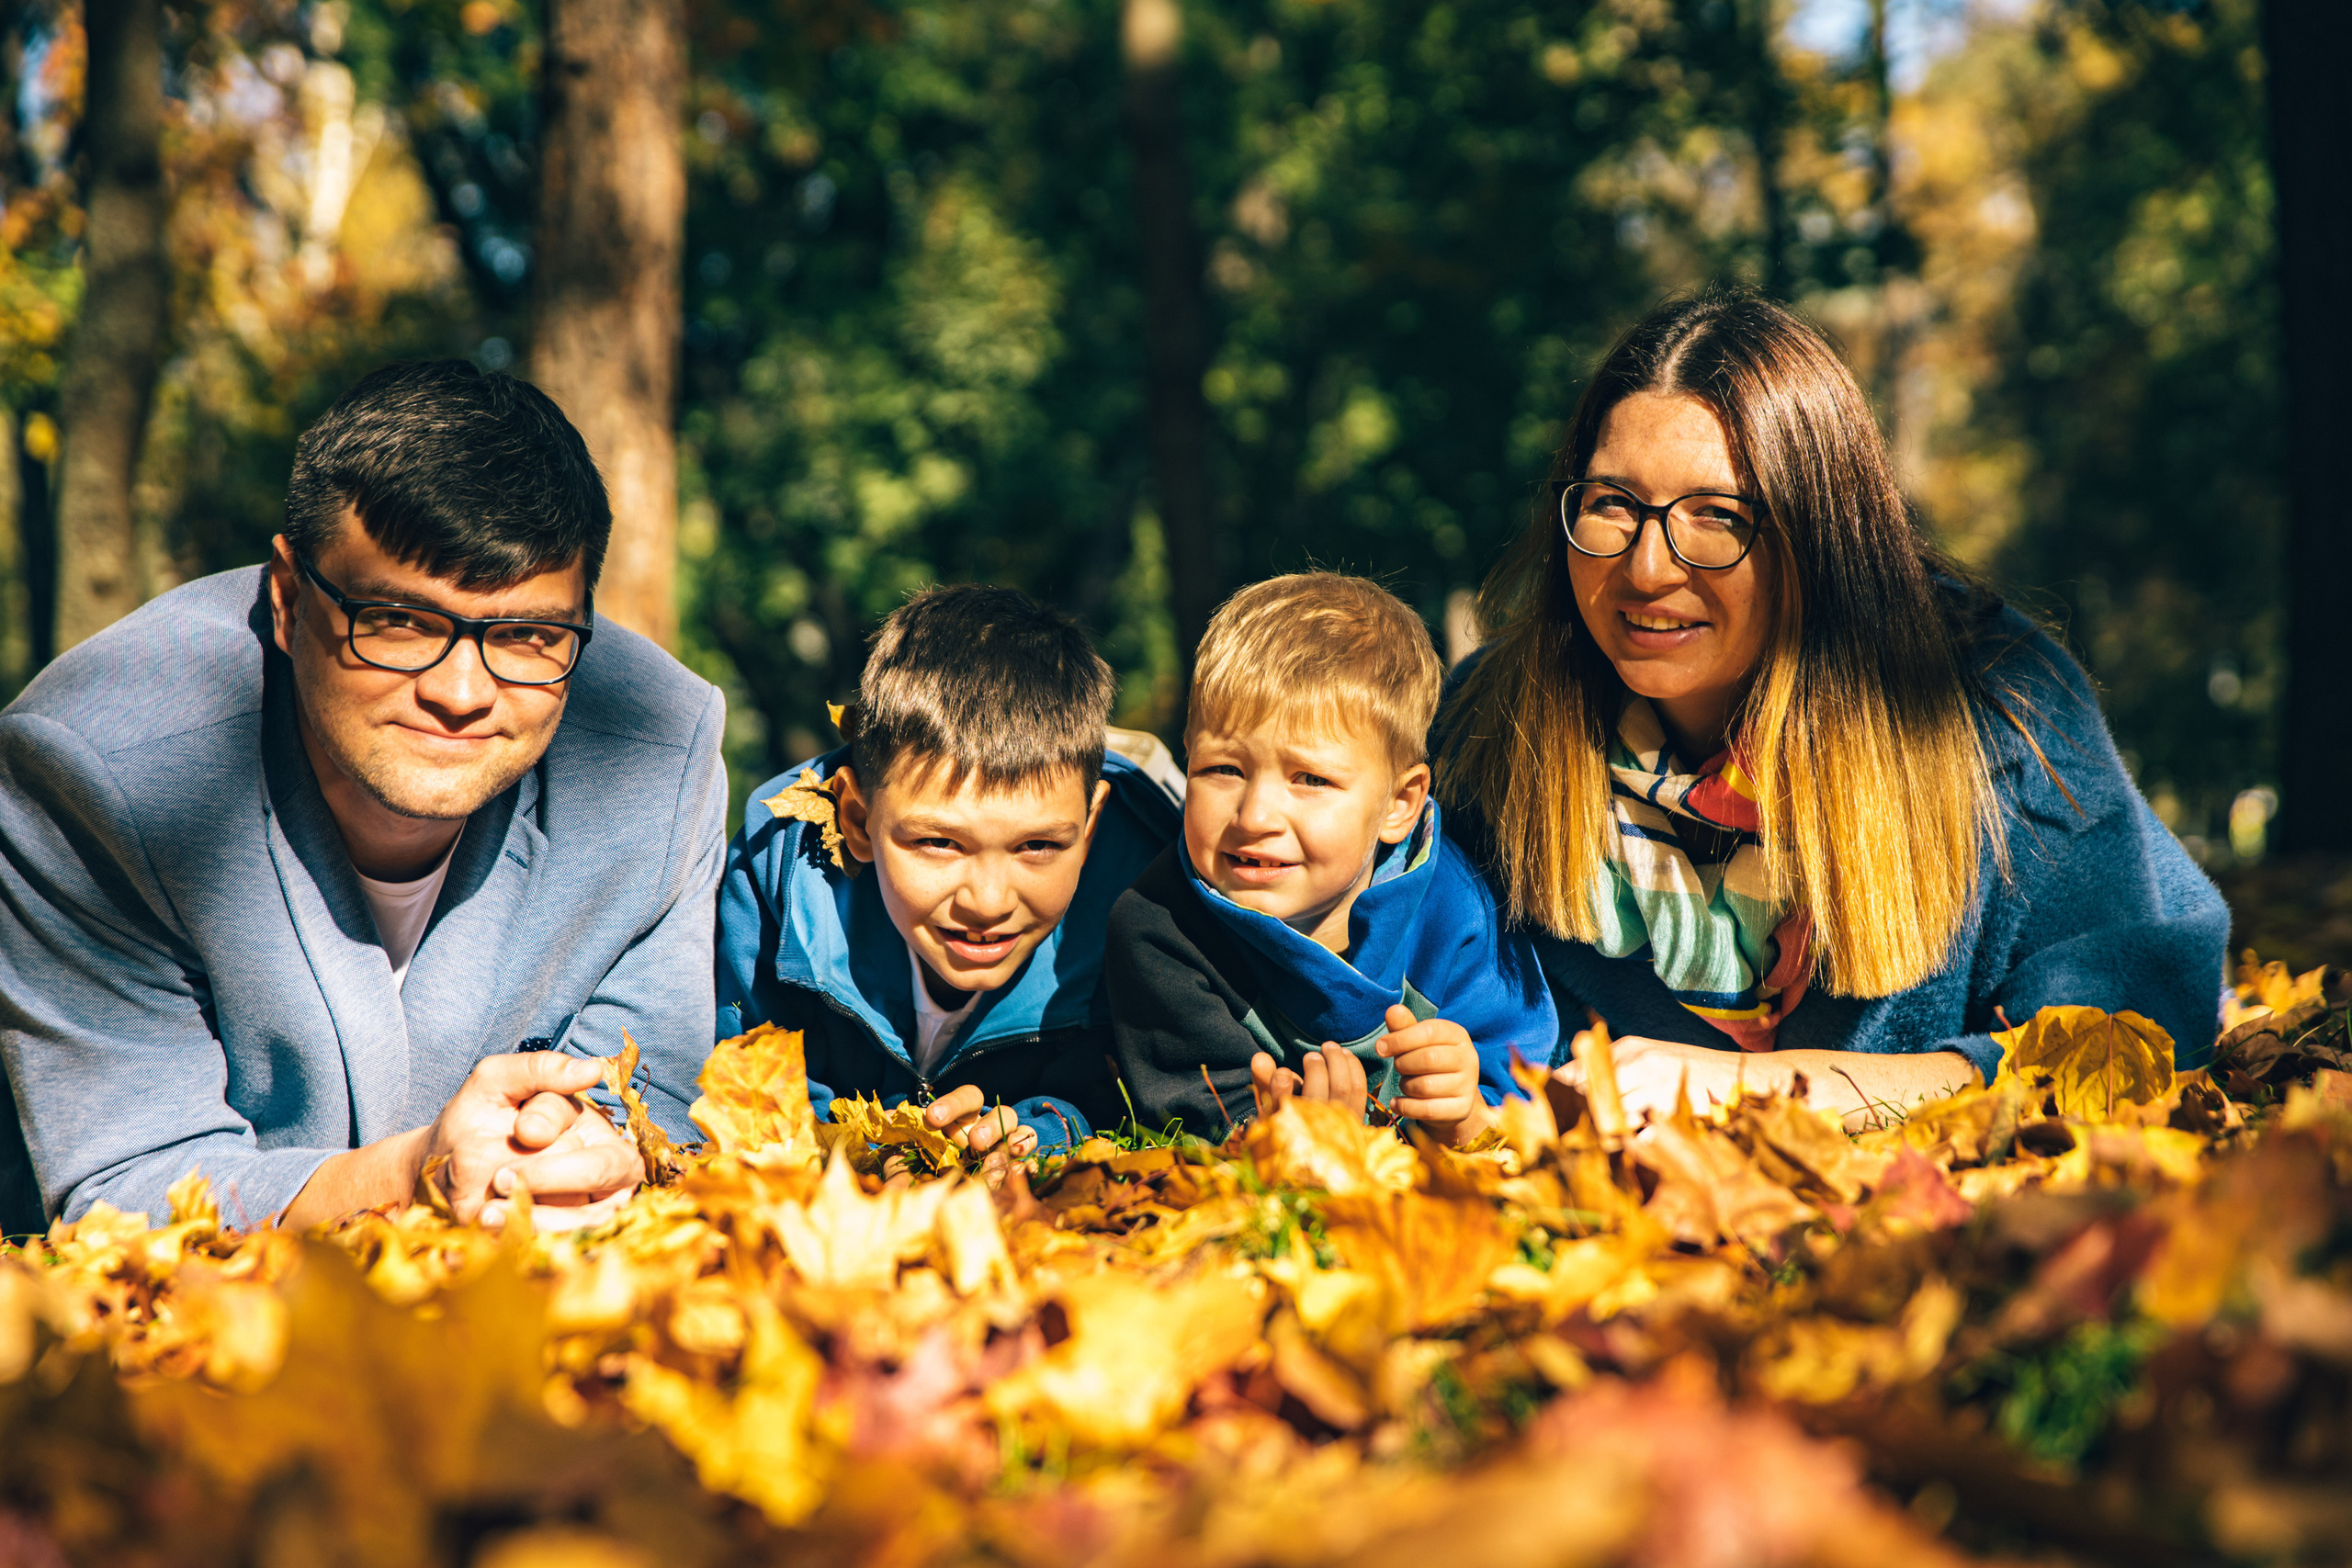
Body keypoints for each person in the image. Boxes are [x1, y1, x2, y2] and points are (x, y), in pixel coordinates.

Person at [1437, 290, 2228, 1128]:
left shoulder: (1998, 704)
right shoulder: (1492, 722)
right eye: (1612, 503)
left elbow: (2133, 1043)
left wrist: (1777, 1091)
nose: (1646, 569)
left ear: (1819, 538)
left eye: (1716, 515)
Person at [0, 361, 727, 1235]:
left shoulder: (657, 757)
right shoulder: (100, 769)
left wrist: (578, 1144)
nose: (462, 691)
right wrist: (413, 1175)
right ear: (288, 596)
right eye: (403, 622)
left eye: (529, 635)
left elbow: (648, 1097)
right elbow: (125, 1181)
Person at [716, 585, 1178, 1165]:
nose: (986, 903)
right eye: (938, 843)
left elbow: (1135, 1090)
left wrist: (1050, 1128)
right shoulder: (780, 875)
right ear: (857, 819)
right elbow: (735, 1067)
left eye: (1036, 846)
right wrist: (862, 1150)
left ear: (1089, 828)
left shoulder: (1144, 903)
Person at [1107, 573, 1556, 1145]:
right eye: (1223, 770)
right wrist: (1303, 1142)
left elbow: (1519, 1085)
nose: (1255, 816)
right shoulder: (1161, 931)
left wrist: (1467, 1114)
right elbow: (1194, 1121)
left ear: (1399, 804)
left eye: (1310, 779)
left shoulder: (1455, 907)